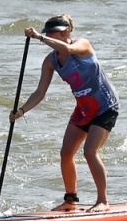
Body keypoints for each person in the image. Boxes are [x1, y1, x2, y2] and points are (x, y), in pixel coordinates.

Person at [10, 15, 119, 211]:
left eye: (52, 34)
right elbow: (40, 92)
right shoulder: (50, 61)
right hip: (84, 109)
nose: (48, 37)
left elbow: (68, 49)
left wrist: (38, 37)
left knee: (90, 152)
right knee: (66, 152)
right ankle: (70, 201)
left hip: (105, 105)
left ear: (66, 32)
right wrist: (21, 111)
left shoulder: (82, 45)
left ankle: (103, 201)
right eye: (47, 34)